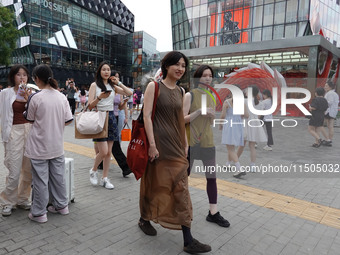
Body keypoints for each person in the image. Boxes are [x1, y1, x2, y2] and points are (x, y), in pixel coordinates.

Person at [139, 51, 211, 254]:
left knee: (181, 190)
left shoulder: (180, 91)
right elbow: (146, 117)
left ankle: (188, 240)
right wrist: (152, 145)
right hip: (159, 146)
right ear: (166, 66)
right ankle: (144, 218)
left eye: (183, 65)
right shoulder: (154, 86)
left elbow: (181, 120)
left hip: (177, 147)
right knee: (153, 185)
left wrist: (186, 143)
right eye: (176, 64)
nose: (180, 69)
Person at [24, 64, 73, 223]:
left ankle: (39, 213)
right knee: (58, 177)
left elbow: (30, 119)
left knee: (40, 180)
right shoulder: (61, 96)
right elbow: (67, 121)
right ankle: (62, 206)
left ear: (37, 78)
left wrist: (27, 101)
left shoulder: (35, 97)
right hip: (57, 145)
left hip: (39, 146)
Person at [183, 65, 230, 228]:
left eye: (210, 75)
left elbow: (210, 121)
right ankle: (178, 208)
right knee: (184, 177)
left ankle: (213, 212)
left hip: (208, 141)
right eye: (204, 75)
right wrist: (199, 112)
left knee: (211, 177)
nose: (208, 78)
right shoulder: (190, 95)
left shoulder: (212, 95)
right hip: (191, 142)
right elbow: (181, 119)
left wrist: (211, 116)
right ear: (197, 78)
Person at [88, 62, 132, 189]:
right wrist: (99, 98)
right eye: (104, 69)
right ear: (99, 71)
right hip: (99, 117)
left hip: (112, 117)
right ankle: (93, 170)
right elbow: (90, 105)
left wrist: (118, 83)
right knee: (104, 151)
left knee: (108, 153)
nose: (106, 72)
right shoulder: (94, 85)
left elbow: (128, 93)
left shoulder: (112, 86)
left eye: (108, 70)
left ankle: (105, 178)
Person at [0, 65, 32, 217]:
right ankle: (7, 201)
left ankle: (23, 199)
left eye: (25, 75)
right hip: (13, 131)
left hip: (29, 131)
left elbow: (36, 113)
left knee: (28, 169)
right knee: (14, 168)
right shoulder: (5, 93)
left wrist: (28, 98)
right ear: (13, 77)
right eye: (18, 75)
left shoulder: (31, 93)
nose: (22, 77)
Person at [237, 86, 267, 172]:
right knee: (252, 146)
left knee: (241, 145)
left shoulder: (244, 101)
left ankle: (234, 161)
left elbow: (241, 114)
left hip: (245, 122)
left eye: (246, 90)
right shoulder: (260, 103)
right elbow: (259, 115)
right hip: (255, 123)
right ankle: (252, 166)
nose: (245, 91)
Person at [220, 89, 248, 178]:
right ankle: (228, 163)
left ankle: (239, 168)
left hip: (229, 124)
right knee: (232, 146)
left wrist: (220, 125)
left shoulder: (227, 102)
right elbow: (247, 115)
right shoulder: (242, 103)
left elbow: (223, 115)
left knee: (230, 148)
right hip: (238, 125)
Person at [111, 70, 132, 177]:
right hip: (103, 118)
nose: (116, 78)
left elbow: (129, 93)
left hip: (115, 117)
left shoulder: (116, 89)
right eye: (114, 77)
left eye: (118, 77)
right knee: (108, 144)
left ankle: (126, 167)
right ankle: (125, 166)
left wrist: (119, 83)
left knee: (113, 143)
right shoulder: (99, 86)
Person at [321, 80, 339, 146]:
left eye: (326, 86)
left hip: (329, 111)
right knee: (330, 126)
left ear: (330, 87)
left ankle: (327, 139)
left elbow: (329, 102)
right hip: (333, 111)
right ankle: (329, 139)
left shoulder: (330, 93)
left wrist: (322, 104)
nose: (325, 87)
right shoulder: (334, 93)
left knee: (321, 125)